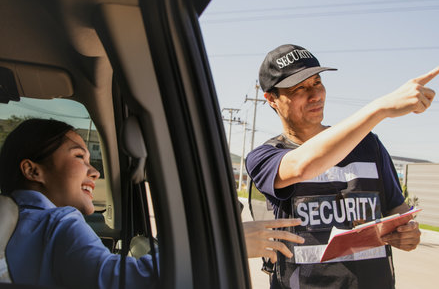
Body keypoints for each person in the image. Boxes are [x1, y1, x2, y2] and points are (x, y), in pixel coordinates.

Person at [0, 118, 304, 288]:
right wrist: (224, 246)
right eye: (79, 156)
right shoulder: (58, 221)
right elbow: (114, 279)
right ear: (32, 170)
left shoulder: (17, 221)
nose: (94, 170)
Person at [245, 44, 439, 288]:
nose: (315, 95)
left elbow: (398, 212)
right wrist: (380, 108)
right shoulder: (265, 157)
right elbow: (301, 166)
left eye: (317, 82)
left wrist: (407, 234)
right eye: (300, 88)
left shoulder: (368, 144)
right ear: (271, 99)